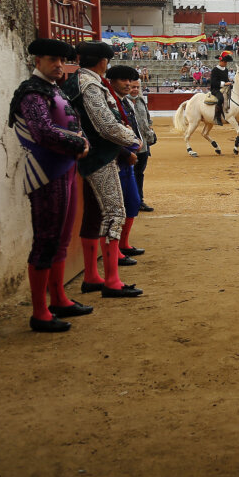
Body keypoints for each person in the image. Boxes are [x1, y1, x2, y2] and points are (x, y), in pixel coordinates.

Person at [7, 38, 93, 333]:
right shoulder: (31, 92)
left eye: (61, 60)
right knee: (46, 239)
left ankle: (58, 298)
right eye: (51, 60)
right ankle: (40, 311)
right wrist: (79, 142)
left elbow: (69, 123)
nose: (58, 65)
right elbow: (42, 132)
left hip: (64, 167)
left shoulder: (52, 90)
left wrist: (79, 139)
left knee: (61, 237)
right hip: (45, 171)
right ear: (37, 62)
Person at [63, 41, 143, 298]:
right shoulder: (90, 84)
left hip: (90, 154)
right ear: (102, 62)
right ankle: (112, 280)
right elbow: (106, 125)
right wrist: (132, 139)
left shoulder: (77, 81)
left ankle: (91, 275)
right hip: (100, 157)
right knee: (114, 213)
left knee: (95, 215)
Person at [104, 65, 147, 266]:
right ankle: (116, 249)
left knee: (132, 201)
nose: (129, 84)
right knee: (118, 206)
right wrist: (126, 151)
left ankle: (124, 244)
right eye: (124, 80)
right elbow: (106, 133)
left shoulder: (126, 102)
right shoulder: (110, 103)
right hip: (116, 159)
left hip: (128, 157)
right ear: (111, 82)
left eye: (131, 81)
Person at [127, 78, 156, 212]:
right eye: (133, 87)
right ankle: (129, 202)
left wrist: (150, 133)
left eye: (138, 87)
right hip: (128, 145)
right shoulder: (121, 102)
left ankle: (139, 201)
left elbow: (147, 119)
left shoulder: (141, 100)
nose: (136, 90)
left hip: (143, 145)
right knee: (129, 173)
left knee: (139, 173)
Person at [210, 51, 234, 124]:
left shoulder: (226, 70)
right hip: (215, 89)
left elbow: (226, 79)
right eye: (225, 62)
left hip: (224, 88)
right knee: (220, 99)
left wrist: (229, 82)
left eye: (226, 62)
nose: (226, 64)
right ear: (221, 61)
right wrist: (225, 83)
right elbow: (213, 82)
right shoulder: (215, 70)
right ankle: (217, 117)